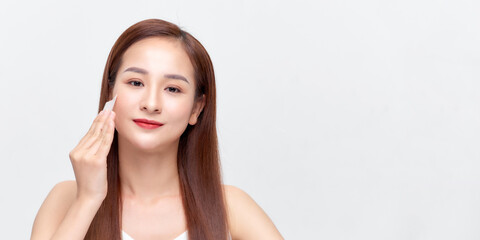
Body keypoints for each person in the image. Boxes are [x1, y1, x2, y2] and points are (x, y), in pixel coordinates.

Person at [30, 19, 283, 240]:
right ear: (110, 93)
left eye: (173, 89)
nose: (151, 104)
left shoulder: (230, 208)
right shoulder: (66, 199)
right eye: (136, 82)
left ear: (196, 108)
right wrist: (88, 199)